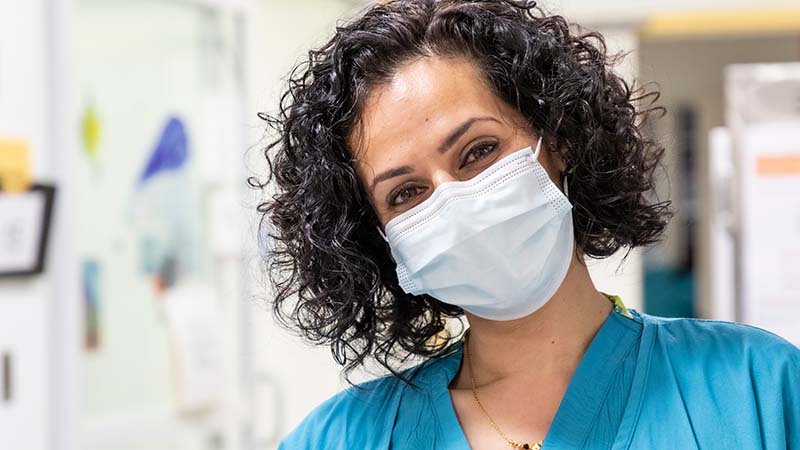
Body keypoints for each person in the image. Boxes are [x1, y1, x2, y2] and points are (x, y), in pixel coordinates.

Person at [255, 1, 800, 449]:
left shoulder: (757, 390)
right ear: (380, 241)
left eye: (478, 151)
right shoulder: (341, 440)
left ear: (555, 139)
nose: (454, 201)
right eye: (406, 193)